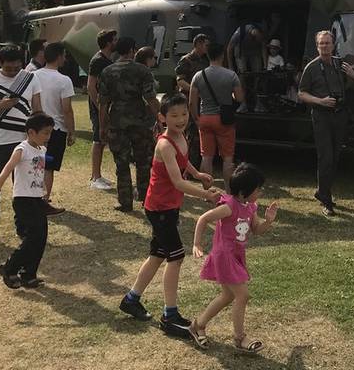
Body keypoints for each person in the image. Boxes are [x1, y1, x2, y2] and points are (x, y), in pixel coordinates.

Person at [118, 94, 218, 333]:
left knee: (158, 255)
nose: (180, 119)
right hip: (160, 208)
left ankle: (131, 300)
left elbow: (183, 162)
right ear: (162, 118)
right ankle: (169, 316)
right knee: (176, 257)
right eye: (174, 115)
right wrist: (207, 195)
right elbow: (177, 182)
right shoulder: (164, 143)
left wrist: (197, 174)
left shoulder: (181, 136)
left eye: (184, 114)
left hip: (168, 207)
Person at [189, 163, 279, 354]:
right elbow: (203, 219)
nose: (260, 192)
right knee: (242, 295)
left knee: (228, 295)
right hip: (224, 256)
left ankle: (198, 325)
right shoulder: (229, 207)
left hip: (236, 256)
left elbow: (257, 230)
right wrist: (197, 244)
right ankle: (240, 339)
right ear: (244, 191)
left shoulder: (250, 207)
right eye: (258, 189)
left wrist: (269, 221)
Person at [0, 44, 42, 247]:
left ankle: (24, 228)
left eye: (17, 67)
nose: (13, 72)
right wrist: (1, 105)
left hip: (23, 143)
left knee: (24, 188)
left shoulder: (30, 78)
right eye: (9, 68)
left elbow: (37, 109)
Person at [0, 112, 55, 288]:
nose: (48, 136)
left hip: (36, 199)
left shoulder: (42, 150)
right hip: (23, 200)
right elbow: (4, 173)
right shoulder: (21, 149)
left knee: (41, 237)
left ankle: (28, 274)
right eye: (45, 133)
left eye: (50, 132)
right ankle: (9, 267)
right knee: (33, 236)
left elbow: (38, 172)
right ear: (31, 133)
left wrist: (44, 191)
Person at [298, 30, 354, 216]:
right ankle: (326, 200)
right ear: (317, 46)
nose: (324, 46)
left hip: (339, 116)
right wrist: (320, 101)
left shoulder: (340, 64)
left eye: (327, 43)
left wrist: (353, 76)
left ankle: (322, 192)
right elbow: (301, 93)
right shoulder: (312, 67)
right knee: (326, 158)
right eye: (321, 44)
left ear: (333, 44)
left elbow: (348, 88)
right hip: (321, 116)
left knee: (336, 157)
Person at [99, 36, 160, 212]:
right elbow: (150, 98)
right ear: (133, 50)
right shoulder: (142, 71)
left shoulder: (107, 71)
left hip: (117, 121)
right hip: (140, 120)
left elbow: (103, 103)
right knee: (143, 160)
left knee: (122, 163)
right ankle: (145, 197)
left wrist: (103, 126)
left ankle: (125, 201)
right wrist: (160, 118)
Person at [189, 42, 242, 187]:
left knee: (206, 157)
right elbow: (240, 98)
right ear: (222, 56)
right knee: (227, 158)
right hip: (224, 120)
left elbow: (192, 102)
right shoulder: (231, 75)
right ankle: (229, 190)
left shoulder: (198, 76)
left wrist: (196, 119)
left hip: (205, 118)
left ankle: (207, 190)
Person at [33, 41, 75, 214]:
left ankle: (33, 199)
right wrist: (72, 131)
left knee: (35, 165)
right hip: (55, 130)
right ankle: (44, 201)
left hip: (35, 128)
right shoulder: (64, 80)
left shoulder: (34, 75)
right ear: (59, 57)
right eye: (64, 55)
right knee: (48, 167)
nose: (65, 58)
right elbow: (66, 109)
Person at [87, 29, 117, 190]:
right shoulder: (98, 60)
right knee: (98, 140)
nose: (116, 42)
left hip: (106, 106)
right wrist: (99, 107)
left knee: (103, 139)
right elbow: (91, 86)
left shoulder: (107, 60)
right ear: (108, 42)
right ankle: (95, 177)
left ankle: (98, 175)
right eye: (114, 39)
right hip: (98, 106)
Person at [175, 33, 209, 167]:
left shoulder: (205, 61)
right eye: (206, 45)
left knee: (197, 135)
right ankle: (185, 165)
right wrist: (195, 92)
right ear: (199, 44)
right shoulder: (186, 60)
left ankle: (193, 165)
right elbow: (180, 81)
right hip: (188, 101)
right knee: (188, 134)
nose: (208, 48)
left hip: (201, 102)